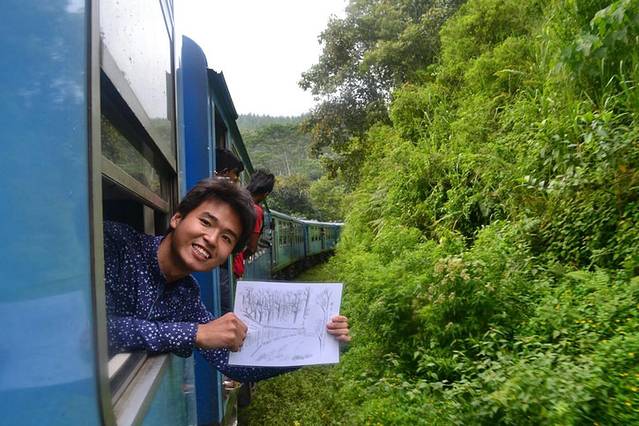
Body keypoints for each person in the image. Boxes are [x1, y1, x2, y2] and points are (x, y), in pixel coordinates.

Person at [104, 177, 351, 382]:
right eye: (206, 222)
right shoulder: (114, 244)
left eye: (226, 238)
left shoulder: (185, 294)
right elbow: (94, 331)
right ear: (177, 218)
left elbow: (232, 363)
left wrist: (317, 344)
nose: (212, 239)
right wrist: (194, 333)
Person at [232, 169, 275, 281]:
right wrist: (240, 257)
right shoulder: (255, 210)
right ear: (266, 194)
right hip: (233, 268)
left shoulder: (235, 200)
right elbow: (252, 247)